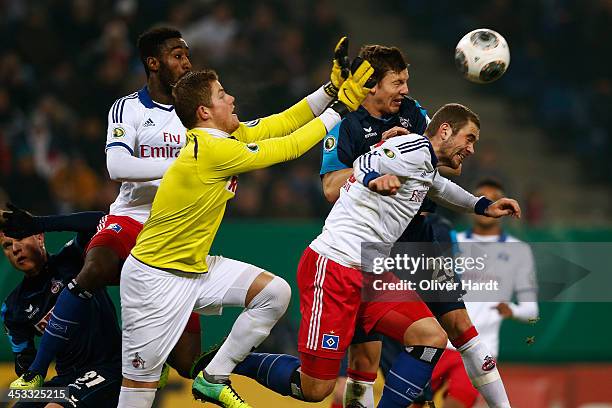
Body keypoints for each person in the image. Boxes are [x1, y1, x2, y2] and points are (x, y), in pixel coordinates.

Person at [116, 55, 376, 408]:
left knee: (274, 293)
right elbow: (290, 146)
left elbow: (280, 124)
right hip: (153, 279)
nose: (231, 98)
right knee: (138, 396)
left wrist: (328, 92)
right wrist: (341, 108)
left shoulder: (223, 137)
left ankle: (214, 376)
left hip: (194, 268)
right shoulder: (212, 148)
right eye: (222, 94)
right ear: (204, 112)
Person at [227, 103, 519, 408]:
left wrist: (484, 205)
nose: (471, 149)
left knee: (429, 336)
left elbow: (442, 188)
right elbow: (366, 162)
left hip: (371, 274)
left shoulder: (424, 162)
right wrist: (372, 180)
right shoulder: (410, 145)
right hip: (334, 267)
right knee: (315, 389)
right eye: (469, 138)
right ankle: (234, 358)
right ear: (445, 130)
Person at [9, 27, 203, 389]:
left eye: (186, 55)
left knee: (188, 364)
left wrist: (325, 106)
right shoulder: (128, 108)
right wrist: (184, 167)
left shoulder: (198, 112)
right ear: (153, 62)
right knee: (93, 267)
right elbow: (117, 167)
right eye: (178, 55)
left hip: (177, 232)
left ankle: (202, 360)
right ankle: (37, 370)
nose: (187, 62)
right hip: (129, 217)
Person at [320, 44, 505, 408]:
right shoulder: (345, 123)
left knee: (458, 326)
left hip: (420, 235)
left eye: (407, 81)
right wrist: (377, 162)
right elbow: (330, 188)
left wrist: (408, 148)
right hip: (369, 242)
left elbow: (446, 163)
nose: (405, 90)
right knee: (365, 358)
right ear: (372, 85)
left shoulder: (413, 113)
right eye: (398, 82)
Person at [431, 178, 539, 408]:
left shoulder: (518, 250)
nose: (489, 202)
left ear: (505, 207)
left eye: (495, 197)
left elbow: (532, 310)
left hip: (481, 349)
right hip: (439, 343)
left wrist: (513, 310)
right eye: (483, 197)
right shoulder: (453, 241)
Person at [0, 211, 122, 407]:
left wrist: (41, 222)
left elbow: (100, 220)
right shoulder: (14, 307)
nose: (15, 249)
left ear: (39, 237)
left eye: (20, 238)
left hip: (109, 369)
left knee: (55, 407)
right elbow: (26, 367)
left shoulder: (73, 258)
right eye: (7, 246)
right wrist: (24, 364)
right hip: (65, 379)